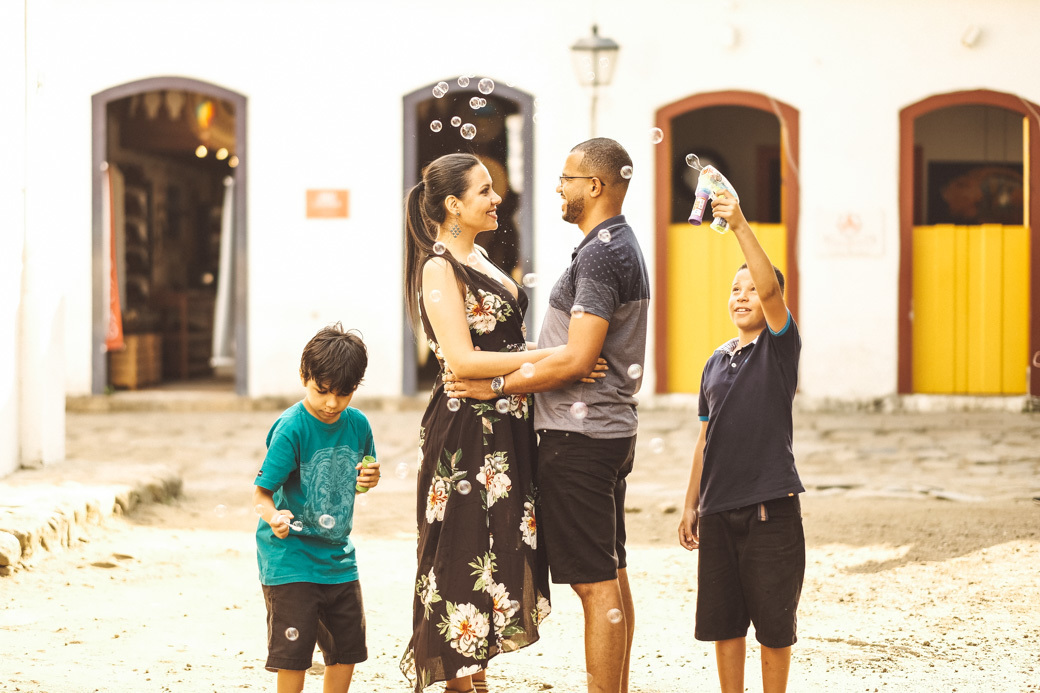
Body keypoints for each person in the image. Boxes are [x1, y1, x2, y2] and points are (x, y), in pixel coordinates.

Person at [451, 138, 650, 693]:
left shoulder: (601, 252)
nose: (558, 187)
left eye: (567, 178)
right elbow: (575, 354)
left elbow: (581, 357)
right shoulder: (619, 244)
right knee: (611, 572)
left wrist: (494, 385)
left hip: (580, 436)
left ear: (595, 186)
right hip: (605, 429)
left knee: (593, 585)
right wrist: (555, 361)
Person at [400, 153, 601, 693]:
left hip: (506, 424)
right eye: (484, 191)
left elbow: (505, 348)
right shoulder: (438, 268)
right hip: (466, 429)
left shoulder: (483, 258)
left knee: (494, 552)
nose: (496, 199)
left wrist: (562, 356)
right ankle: (461, 685)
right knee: (461, 550)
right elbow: (462, 362)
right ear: (453, 205)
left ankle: (477, 678)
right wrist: (549, 358)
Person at [677, 191, 805, 693]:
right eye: (735, 289)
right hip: (717, 510)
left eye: (753, 288)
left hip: (770, 509)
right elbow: (704, 437)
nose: (743, 296)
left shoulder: (779, 349)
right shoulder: (715, 361)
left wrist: (740, 225)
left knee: (773, 625)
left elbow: (772, 291)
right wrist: (690, 505)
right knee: (724, 623)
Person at [252, 323, 381, 693]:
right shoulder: (292, 428)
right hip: (290, 558)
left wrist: (370, 478)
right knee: (294, 654)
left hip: (338, 558)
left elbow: (363, 478)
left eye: (344, 393)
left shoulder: (358, 425)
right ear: (304, 376)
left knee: (346, 650)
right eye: (321, 391)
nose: (331, 403)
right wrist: (274, 516)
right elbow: (261, 494)